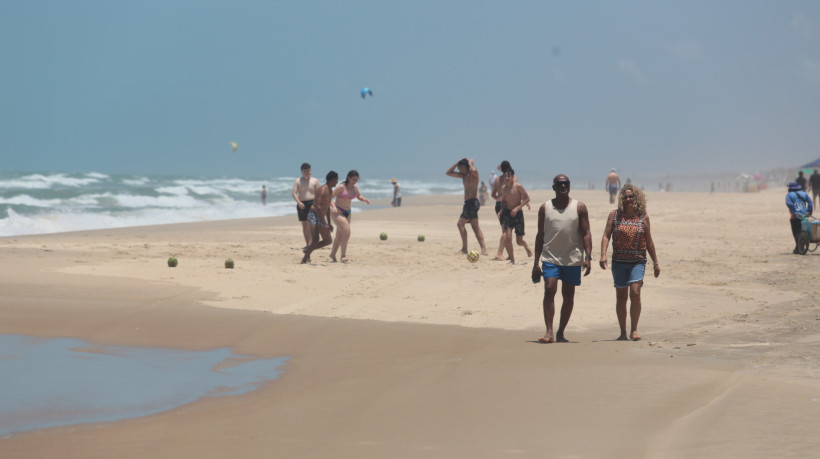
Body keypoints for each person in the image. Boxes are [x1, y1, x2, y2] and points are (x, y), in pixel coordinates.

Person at [531, 175, 592, 343]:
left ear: (569, 186)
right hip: (550, 256)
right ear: (554, 187)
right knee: (549, 289)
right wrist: (536, 262)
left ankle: (561, 332)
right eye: (559, 183)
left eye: (566, 183)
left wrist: (588, 256)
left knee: (568, 295)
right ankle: (549, 332)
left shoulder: (579, 207)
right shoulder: (545, 207)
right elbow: (540, 235)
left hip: (572, 257)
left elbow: (586, 233)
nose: (563, 185)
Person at [599, 184, 660, 341]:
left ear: (636, 198)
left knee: (635, 293)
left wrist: (656, 262)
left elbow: (649, 241)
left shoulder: (643, 217)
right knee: (621, 298)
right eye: (625, 197)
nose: (628, 199)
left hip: (637, 261)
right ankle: (622, 332)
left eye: (631, 196)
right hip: (619, 261)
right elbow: (606, 235)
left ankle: (634, 330)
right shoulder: (614, 215)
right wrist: (603, 255)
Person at [446, 158, 488, 255]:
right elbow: (448, 172)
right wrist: (458, 162)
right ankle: (484, 249)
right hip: (468, 203)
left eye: (461, 168)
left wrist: (470, 162)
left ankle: (465, 249)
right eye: (459, 168)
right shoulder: (463, 176)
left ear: (466, 167)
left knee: (460, 224)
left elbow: (474, 170)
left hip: (472, 203)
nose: (460, 170)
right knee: (475, 227)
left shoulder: (473, 175)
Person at [329, 170, 371, 262]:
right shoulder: (341, 187)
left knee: (339, 235)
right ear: (348, 178)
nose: (355, 181)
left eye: (356, 180)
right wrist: (334, 206)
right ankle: (343, 256)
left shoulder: (354, 187)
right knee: (347, 232)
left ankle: (332, 255)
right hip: (338, 212)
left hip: (348, 212)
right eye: (353, 179)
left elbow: (358, 196)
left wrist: (365, 199)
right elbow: (329, 197)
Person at [301, 171, 338, 264]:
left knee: (328, 240)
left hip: (321, 216)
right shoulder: (323, 190)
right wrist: (324, 223)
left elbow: (327, 207)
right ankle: (304, 259)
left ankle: (308, 250)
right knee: (315, 240)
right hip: (313, 214)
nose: (337, 182)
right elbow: (317, 207)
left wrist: (329, 222)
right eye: (336, 180)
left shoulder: (330, 190)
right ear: (332, 180)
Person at [497, 169, 532, 264]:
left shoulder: (518, 187)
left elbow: (527, 199)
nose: (507, 178)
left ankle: (526, 246)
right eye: (505, 176)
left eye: (509, 176)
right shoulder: (504, 188)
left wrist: (517, 208)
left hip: (518, 215)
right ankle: (512, 260)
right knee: (508, 237)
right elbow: (503, 201)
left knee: (519, 241)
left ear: (513, 177)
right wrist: (501, 210)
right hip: (508, 214)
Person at [293, 163, 320, 248]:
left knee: (313, 224)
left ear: (310, 171)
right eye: (304, 171)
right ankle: (308, 243)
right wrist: (299, 202)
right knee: (305, 225)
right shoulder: (298, 181)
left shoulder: (315, 181)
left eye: (307, 170)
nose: (306, 172)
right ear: (301, 171)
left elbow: (319, 194)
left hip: (312, 203)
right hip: (302, 204)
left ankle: (313, 242)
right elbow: (294, 193)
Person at [786, 181, 813, 254]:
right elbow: (810, 202)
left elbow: (789, 204)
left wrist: (795, 212)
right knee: (802, 230)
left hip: (795, 217)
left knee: (796, 232)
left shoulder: (789, 195)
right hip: (805, 216)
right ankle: (799, 246)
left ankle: (799, 247)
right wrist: (809, 212)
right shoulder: (804, 193)